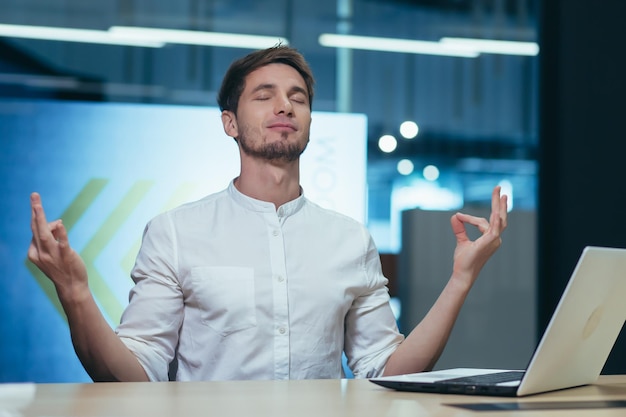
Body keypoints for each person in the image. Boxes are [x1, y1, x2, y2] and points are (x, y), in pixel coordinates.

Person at [28, 45, 507, 382]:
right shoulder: (176, 232)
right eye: (265, 95)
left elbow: (386, 370)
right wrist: (74, 293)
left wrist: (461, 279)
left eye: (298, 98)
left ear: (310, 123)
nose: (285, 105)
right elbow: (134, 375)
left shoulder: (349, 240)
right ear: (229, 123)